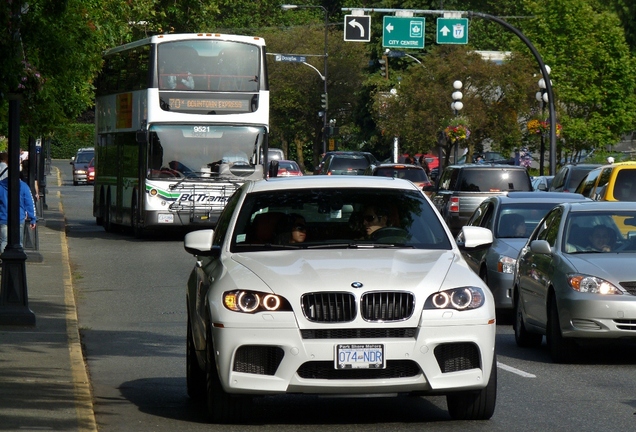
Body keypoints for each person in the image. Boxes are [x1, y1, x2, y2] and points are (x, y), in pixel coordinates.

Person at [0, 172, 37, 253]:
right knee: (18, 242)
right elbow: (29, 203)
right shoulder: (23, 186)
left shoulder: (1, 186)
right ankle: (18, 258)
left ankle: (3, 260)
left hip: (3, 217)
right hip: (18, 218)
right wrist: (33, 218)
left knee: (4, 241)